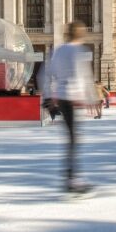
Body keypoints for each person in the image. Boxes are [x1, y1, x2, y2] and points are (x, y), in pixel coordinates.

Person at [40, 20, 98, 196]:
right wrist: (92, 98)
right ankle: (72, 180)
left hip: (62, 99)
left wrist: (48, 96)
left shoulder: (58, 51)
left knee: (71, 139)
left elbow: (43, 74)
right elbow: (85, 76)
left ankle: (71, 178)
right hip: (72, 98)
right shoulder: (79, 51)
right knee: (73, 140)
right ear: (81, 34)